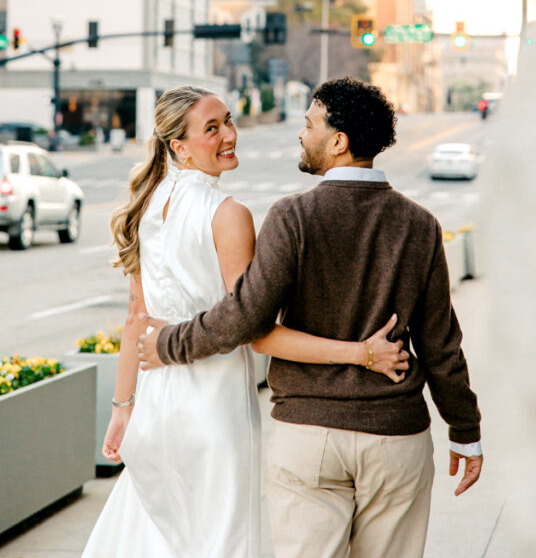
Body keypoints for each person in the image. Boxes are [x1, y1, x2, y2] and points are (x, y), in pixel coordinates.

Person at [138, 77, 483, 558]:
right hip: (396, 436)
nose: (300, 134)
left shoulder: (292, 216)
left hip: (308, 436)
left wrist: (168, 344)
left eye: (309, 124)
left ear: (338, 142)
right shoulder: (419, 224)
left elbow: (244, 316)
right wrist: (464, 432)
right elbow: (441, 344)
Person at [81, 85, 408, 558]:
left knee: (152, 538)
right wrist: (360, 353)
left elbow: (137, 317)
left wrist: (123, 406)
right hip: (214, 411)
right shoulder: (227, 214)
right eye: (211, 129)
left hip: (155, 406)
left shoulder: (147, 207)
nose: (229, 134)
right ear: (179, 145)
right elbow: (253, 328)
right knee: (223, 541)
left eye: (228, 121)